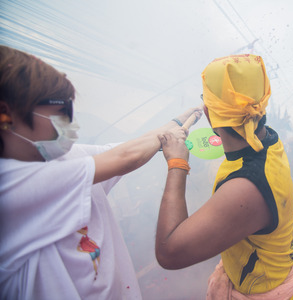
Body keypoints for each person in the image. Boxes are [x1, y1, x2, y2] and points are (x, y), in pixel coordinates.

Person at [0, 45, 200, 299]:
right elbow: (126, 157)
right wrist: (173, 143)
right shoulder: (9, 185)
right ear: (6, 114)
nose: (68, 121)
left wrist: (176, 123)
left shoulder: (59, 157)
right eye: (60, 111)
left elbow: (120, 150)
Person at [155, 54, 293, 299]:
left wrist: (177, 162)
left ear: (209, 114)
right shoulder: (267, 140)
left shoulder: (245, 188)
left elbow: (168, 253)